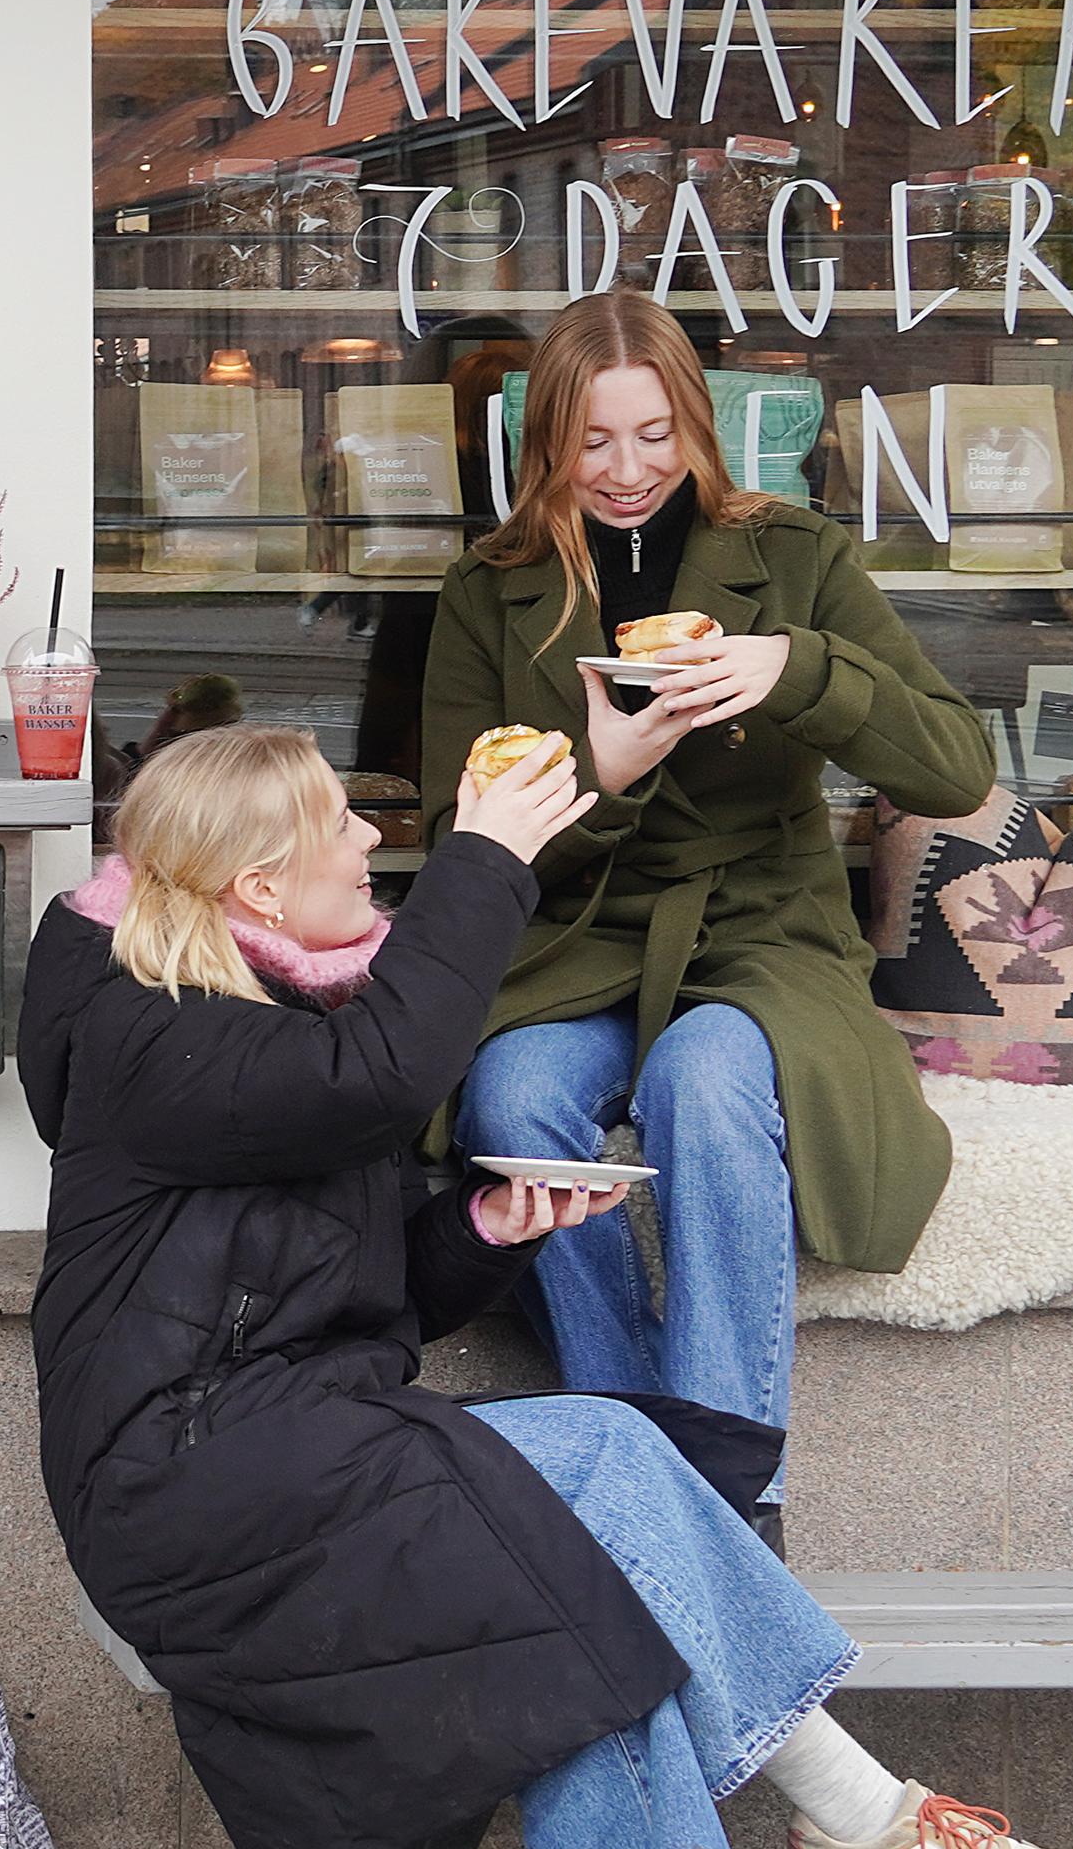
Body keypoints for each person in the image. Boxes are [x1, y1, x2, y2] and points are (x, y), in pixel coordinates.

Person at [23, 724, 1073, 1849]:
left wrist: (475, 1234)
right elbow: (381, 1070)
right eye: (343, 825)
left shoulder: (276, 1001)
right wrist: (488, 855)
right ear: (261, 892)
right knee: (588, 1469)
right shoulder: (150, 1029)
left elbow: (343, 1276)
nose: (368, 844)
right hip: (186, 1487)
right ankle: (857, 1821)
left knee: (576, 1589)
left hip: (305, 1449)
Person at [421, 290, 997, 1534]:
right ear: (546, 448)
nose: (626, 472)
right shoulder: (490, 588)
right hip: (580, 940)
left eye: (653, 434)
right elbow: (457, 834)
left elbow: (955, 767)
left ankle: (740, 1495)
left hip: (762, 935)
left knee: (704, 1079)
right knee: (511, 1099)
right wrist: (604, 772)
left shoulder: (795, 556)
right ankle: (635, 1458)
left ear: (696, 424)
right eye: (591, 442)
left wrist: (798, 669)